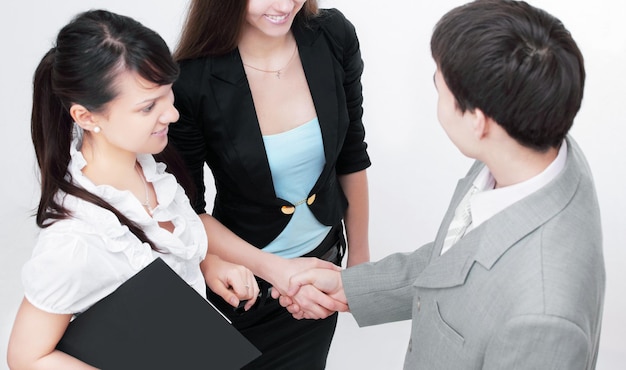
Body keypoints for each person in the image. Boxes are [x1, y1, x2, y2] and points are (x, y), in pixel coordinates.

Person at [284, 0, 606, 368]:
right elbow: (462, 259)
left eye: (439, 85)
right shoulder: (530, 142)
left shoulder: (544, 318)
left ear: (478, 122)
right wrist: (353, 287)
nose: (435, 88)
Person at [6, 10, 260, 369]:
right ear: (86, 117)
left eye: (168, 94)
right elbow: (25, 357)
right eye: (148, 107)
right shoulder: (75, 240)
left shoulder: (150, 167)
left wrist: (206, 264)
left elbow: (150, 264)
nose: (172, 114)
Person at [167, 0, 371, 368]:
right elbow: (183, 208)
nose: (284, 4)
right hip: (241, 287)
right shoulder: (191, 79)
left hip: (318, 276)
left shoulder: (332, 36)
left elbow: (352, 154)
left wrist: (360, 262)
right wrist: (277, 272)